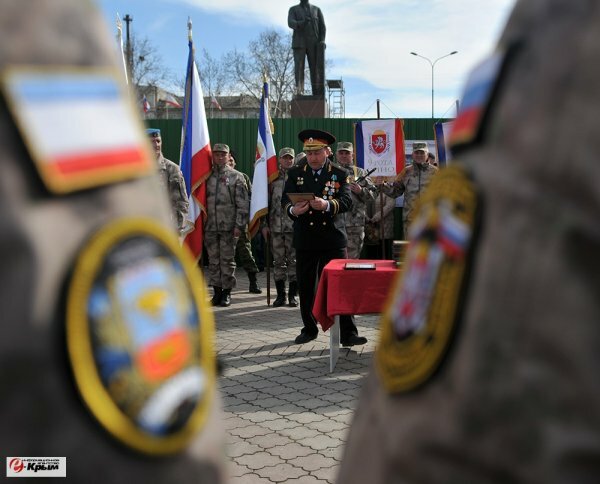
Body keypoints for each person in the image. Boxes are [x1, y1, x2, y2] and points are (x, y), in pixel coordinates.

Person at [338, 1, 600, 482]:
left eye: (420, 152)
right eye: (414, 153)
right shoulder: (419, 175)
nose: (417, 157)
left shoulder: (444, 170)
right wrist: (377, 189)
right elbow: (392, 193)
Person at [0, 0, 225, 481]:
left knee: (32, 464)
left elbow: (109, 263)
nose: (159, 148)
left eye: (162, 143)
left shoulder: (34, 35)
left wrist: (179, 230)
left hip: (46, 448)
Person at [282, 129, 367, 346]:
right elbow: (284, 203)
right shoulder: (295, 173)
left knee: (341, 285)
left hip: (332, 238)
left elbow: (347, 202)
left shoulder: (338, 173)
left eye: (317, 153)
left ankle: (348, 333)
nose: (313, 158)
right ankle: (309, 328)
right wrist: (294, 211)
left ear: (327, 152)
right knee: (306, 285)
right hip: (306, 238)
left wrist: (328, 205)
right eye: (309, 154)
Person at [205, 143, 249, 307]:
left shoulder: (237, 177)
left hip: (229, 226)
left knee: (227, 261)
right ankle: (216, 292)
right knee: (213, 261)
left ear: (229, 156)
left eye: (223, 154)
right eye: (217, 154)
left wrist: (239, 225)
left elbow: (243, 204)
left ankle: (227, 293)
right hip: (210, 226)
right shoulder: (206, 176)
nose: (220, 157)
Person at [262, 147, 298, 307]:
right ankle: (281, 295)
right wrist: (264, 224)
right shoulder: (272, 179)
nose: (288, 161)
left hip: (294, 227)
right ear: (279, 160)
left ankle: (292, 296)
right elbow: (264, 204)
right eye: (285, 158)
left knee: (293, 261)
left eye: (290, 158)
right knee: (278, 262)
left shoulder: (299, 178)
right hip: (275, 227)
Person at [380, 141, 438, 239]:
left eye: (422, 153)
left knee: (427, 251)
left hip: (429, 220)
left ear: (427, 155)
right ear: (413, 154)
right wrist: (382, 186)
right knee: (411, 250)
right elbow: (395, 192)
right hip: (410, 220)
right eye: (417, 153)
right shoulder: (406, 172)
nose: (419, 155)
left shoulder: (436, 172)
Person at [228, 151, 262, 294]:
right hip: (222, 223)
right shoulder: (215, 177)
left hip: (240, 222)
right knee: (225, 256)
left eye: (231, 160)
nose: (229, 163)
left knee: (245, 253)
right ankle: (223, 285)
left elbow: (251, 199)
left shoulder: (242, 177)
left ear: (235, 162)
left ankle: (253, 281)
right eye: (227, 160)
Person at [335, 141, 376, 259]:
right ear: (337, 155)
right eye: (341, 153)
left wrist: (361, 191)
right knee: (336, 260)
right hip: (335, 223)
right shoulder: (330, 171)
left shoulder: (360, 173)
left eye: (347, 153)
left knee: (352, 260)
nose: (343, 156)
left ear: (352, 155)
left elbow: (373, 195)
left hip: (354, 225)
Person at [147, 128, 189, 235]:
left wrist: (178, 227)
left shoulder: (172, 169)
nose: (156, 145)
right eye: (152, 142)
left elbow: (181, 202)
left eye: (158, 141)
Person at [288, 0, 326, 96]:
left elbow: (322, 27)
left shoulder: (316, 10)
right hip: (299, 42)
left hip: (314, 43)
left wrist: (322, 40)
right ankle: (299, 91)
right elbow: (290, 22)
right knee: (299, 68)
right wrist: (302, 23)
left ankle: (316, 92)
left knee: (314, 68)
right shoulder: (293, 9)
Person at [363, 189, 396, 260]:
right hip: (370, 229)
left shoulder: (389, 191)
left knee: (383, 254)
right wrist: (366, 217)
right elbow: (363, 204)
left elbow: (390, 206)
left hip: (384, 228)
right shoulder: (368, 189)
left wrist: (375, 218)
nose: (377, 178)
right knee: (371, 255)